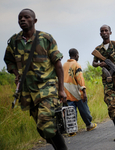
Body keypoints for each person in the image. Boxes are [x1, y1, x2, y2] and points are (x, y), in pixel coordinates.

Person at [4, 8, 68, 150]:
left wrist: (61, 89)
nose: (23, 20)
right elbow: (8, 61)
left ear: (35, 20)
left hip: (48, 87)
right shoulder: (14, 41)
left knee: (45, 123)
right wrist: (16, 73)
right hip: (28, 91)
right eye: (20, 18)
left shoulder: (45, 39)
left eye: (26, 17)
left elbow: (58, 64)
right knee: (42, 130)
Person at [63, 48, 97, 136]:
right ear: (76, 55)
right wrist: (84, 91)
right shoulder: (76, 65)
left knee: (70, 112)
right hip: (76, 92)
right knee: (84, 110)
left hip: (66, 92)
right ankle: (89, 125)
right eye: (78, 55)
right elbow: (80, 78)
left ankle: (72, 130)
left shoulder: (64, 65)